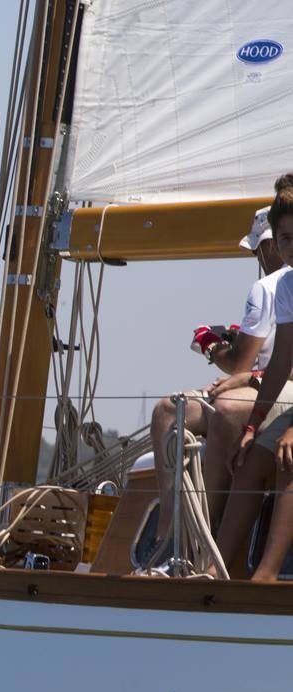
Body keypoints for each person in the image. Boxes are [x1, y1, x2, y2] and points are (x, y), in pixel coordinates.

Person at [146, 206, 291, 552]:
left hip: (268, 387)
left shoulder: (266, 287)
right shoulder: (283, 288)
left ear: (266, 247)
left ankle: (181, 536)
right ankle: (185, 536)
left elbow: (241, 362)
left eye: (256, 249)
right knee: (173, 410)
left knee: (176, 411)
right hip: (265, 383)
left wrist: (211, 347)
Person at [215, 186, 293, 579]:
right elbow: (281, 363)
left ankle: (265, 575)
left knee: (288, 458)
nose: (292, 246)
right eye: (285, 239)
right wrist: (250, 427)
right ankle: (217, 571)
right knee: (251, 458)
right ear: (275, 243)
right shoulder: (286, 286)